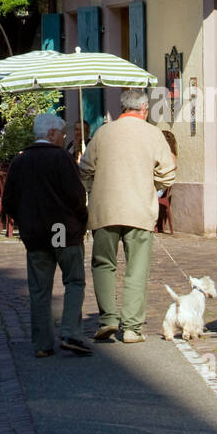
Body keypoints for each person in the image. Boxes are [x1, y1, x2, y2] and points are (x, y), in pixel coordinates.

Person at [79, 88, 177, 344]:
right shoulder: (153, 134)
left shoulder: (102, 132)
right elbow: (169, 173)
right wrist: (150, 186)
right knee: (137, 268)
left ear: (123, 108)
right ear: (144, 110)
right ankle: (132, 328)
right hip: (139, 210)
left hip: (104, 209)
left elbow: (85, 168)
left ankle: (108, 319)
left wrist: (93, 189)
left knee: (103, 264)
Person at [2, 114, 92, 357]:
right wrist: (82, 221)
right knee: (74, 280)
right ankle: (70, 331)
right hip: (61, 231)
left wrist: (23, 222)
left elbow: (8, 201)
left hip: (35, 233)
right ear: (51, 134)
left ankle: (42, 344)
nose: (64, 138)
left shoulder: (20, 161)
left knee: (40, 289)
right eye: (62, 134)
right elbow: (76, 196)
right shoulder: (61, 158)